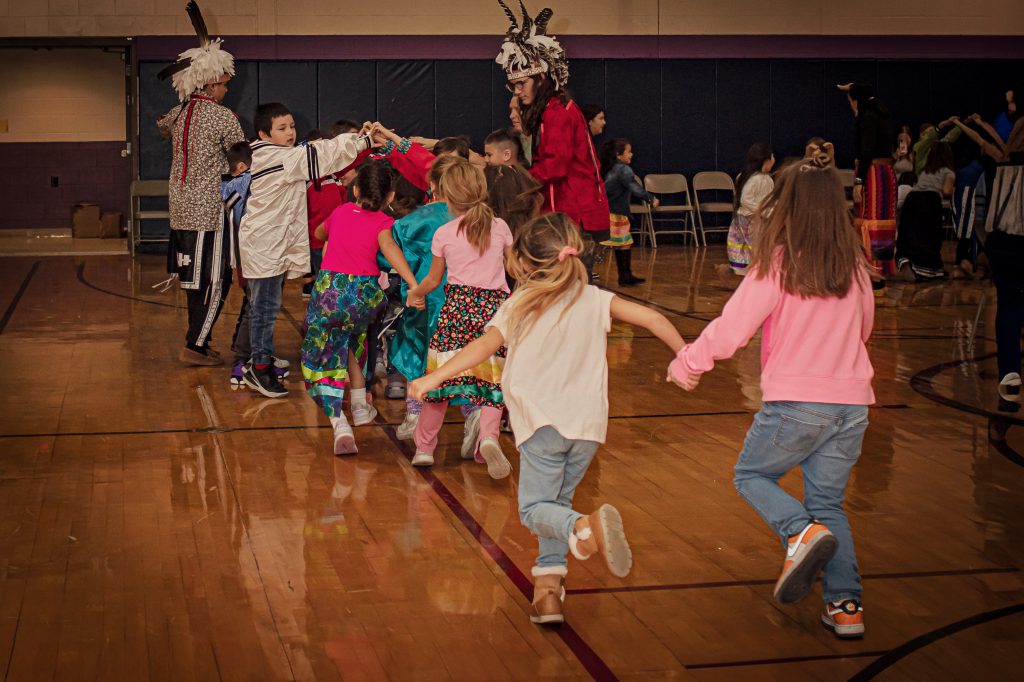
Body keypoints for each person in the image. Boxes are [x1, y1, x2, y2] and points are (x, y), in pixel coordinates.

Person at [409, 212, 685, 625]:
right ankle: (548, 593)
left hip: (541, 426)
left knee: (536, 509)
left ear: (522, 261)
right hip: (588, 429)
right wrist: (686, 358)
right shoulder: (594, 298)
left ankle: (583, 528)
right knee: (555, 503)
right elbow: (654, 318)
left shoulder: (519, 302)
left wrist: (435, 375)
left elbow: (483, 348)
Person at [669, 153, 875, 639]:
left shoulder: (778, 263)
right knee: (827, 502)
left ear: (787, 206)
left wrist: (689, 362)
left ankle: (799, 532)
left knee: (752, 475)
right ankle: (846, 606)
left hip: (796, 404)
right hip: (852, 406)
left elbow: (734, 326)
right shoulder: (856, 267)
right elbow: (865, 329)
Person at [238, 103, 373, 398]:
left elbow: (313, 150)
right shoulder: (278, 158)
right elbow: (320, 155)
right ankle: (259, 369)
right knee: (264, 308)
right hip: (264, 246)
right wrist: (363, 140)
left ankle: (260, 358)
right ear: (264, 133)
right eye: (282, 128)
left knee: (264, 306)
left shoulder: (273, 153)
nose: (290, 133)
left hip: (268, 244)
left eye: (291, 126)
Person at [404, 158, 514, 477]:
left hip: (457, 311)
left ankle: (424, 448)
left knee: (440, 382)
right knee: (492, 380)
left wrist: (415, 293)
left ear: (448, 198)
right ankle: (488, 438)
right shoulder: (501, 227)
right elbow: (516, 268)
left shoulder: (445, 233)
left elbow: (433, 280)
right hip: (494, 313)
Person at [301, 160, 418, 454]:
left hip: (331, 293)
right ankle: (359, 404)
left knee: (321, 356)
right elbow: (391, 252)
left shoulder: (340, 212)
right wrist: (413, 284)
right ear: (390, 197)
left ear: (355, 189)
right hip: (364, 298)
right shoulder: (384, 223)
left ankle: (339, 423)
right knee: (351, 342)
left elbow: (318, 234)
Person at [156, 3, 245, 366]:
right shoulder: (224, 117)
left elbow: (162, 125)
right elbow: (241, 162)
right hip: (209, 212)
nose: (226, 90)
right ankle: (195, 346)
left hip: (180, 211)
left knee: (193, 281)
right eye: (224, 84)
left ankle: (197, 341)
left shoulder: (178, 113)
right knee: (214, 281)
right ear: (210, 82)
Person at [495, 1, 610, 280]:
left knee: (572, 285)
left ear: (542, 77)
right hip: (566, 210)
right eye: (514, 84)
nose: (518, 90)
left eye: (523, 83)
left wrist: (514, 180)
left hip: (573, 212)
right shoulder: (551, 110)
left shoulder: (557, 113)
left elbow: (555, 167)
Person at [222, 142, 289, 386]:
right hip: (250, 255)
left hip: (265, 252)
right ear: (243, 167)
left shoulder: (244, 182)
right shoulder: (242, 183)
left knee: (259, 305)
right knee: (255, 305)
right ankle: (243, 358)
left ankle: (257, 352)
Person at [982, 97, 1024, 402]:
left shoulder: (1005, 159)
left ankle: (1010, 374)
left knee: (1008, 307)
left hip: (1004, 241)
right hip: (1011, 241)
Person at [838, 82, 896, 285]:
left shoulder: (868, 119)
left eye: (851, 101)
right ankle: (878, 270)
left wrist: (858, 181)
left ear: (857, 101)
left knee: (869, 222)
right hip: (885, 174)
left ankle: (872, 271)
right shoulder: (880, 115)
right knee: (880, 222)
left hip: (872, 174)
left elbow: (866, 152)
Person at [599, 138, 657, 286]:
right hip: (614, 213)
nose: (631, 155)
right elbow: (633, 186)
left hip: (608, 211)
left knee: (624, 243)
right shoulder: (623, 169)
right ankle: (623, 276)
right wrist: (650, 198)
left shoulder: (609, 167)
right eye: (629, 152)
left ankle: (625, 276)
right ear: (619, 155)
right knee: (607, 244)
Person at [895, 142, 954, 281]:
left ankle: (907, 262)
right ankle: (927, 270)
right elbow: (946, 190)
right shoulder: (948, 171)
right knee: (929, 238)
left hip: (912, 199)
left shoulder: (925, 169)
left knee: (911, 235)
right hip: (930, 201)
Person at [721, 142, 775, 278]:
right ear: (766, 160)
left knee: (746, 248)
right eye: (773, 157)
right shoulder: (759, 179)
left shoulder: (753, 177)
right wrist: (763, 211)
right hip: (752, 220)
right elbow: (745, 200)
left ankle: (740, 272)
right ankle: (754, 275)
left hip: (748, 219)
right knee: (755, 248)